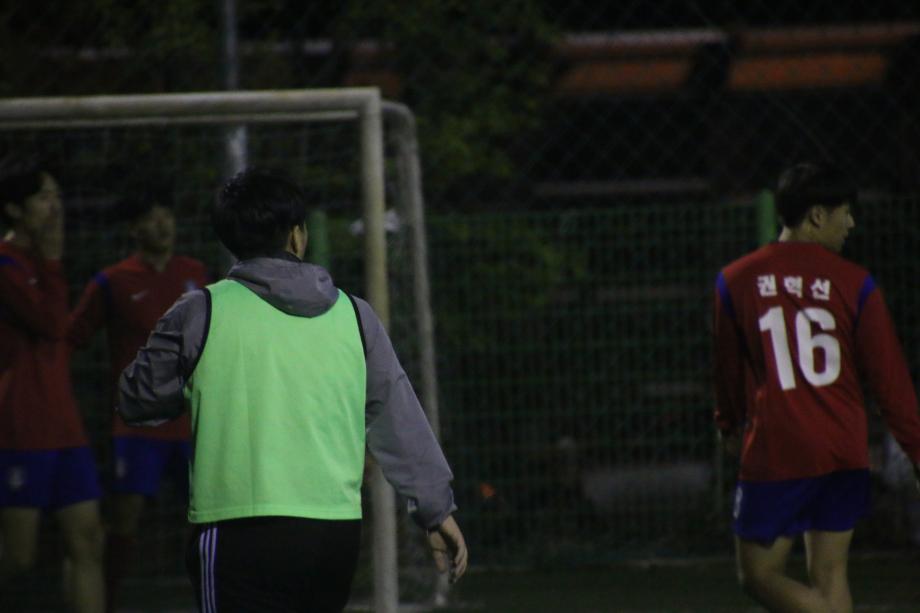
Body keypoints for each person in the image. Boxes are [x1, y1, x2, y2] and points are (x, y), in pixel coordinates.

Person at [117, 168, 467, 612]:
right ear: (297, 236)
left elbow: (137, 399)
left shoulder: (200, 311)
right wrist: (436, 510)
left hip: (239, 528)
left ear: (230, 240)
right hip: (334, 533)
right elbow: (398, 416)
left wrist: (196, 382)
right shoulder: (355, 315)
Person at [713, 161, 920, 613]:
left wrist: (727, 424)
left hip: (780, 446)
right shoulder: (856, 284)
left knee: (757, 575)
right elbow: (892, 385)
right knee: (830, 579)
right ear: (816, 215)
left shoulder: (734, 280)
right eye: (845, 212)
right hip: (845, 448)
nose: (851, 223)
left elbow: (728, 369)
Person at [69, 193, 208, 613]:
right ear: (134, 229)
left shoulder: (195, 274)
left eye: (167, 216)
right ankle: (107, 600)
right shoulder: (112, 281)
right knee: (124, 520)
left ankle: (212, 598)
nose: (163, 225)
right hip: (137, 427)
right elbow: (71, 338)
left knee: (209, 517)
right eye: (152, 217)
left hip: (191, 423)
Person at [0, 156, 105, 613]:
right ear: (14, 209)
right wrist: (54, 260)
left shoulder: (43, 263)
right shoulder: (7, 264)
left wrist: (51, 261)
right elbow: (50, 323)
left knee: (88, 541)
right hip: (22, 427)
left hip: (65, 426)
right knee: (19, 557)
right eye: (44, 197)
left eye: (58, 197)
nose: (55, 207)